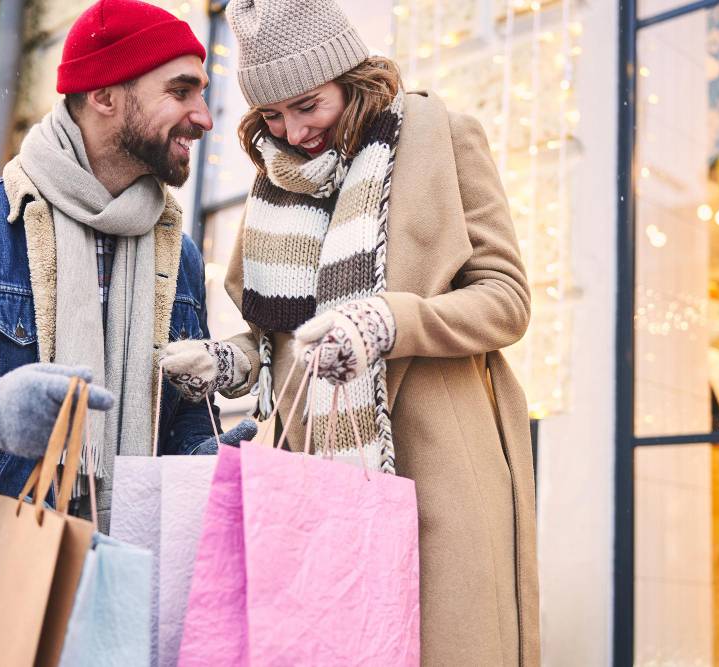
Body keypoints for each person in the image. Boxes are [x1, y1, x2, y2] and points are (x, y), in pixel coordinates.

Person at [159, 0, 539, 663]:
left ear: (348, 76)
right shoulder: (273, 186)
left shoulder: (444, 136)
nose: (293, 130)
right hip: (310, 490)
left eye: (308, 105)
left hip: (438, 470)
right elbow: (282, 342)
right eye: (272, 116)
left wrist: (389, 319)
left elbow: (506, 301)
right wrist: (227, 362)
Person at [0, 1, 251, 663]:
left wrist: (210, 457)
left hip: (120, 612)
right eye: (180, 91)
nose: (204, 115)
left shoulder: (179, 255)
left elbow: (175, 425)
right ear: (104, 95)